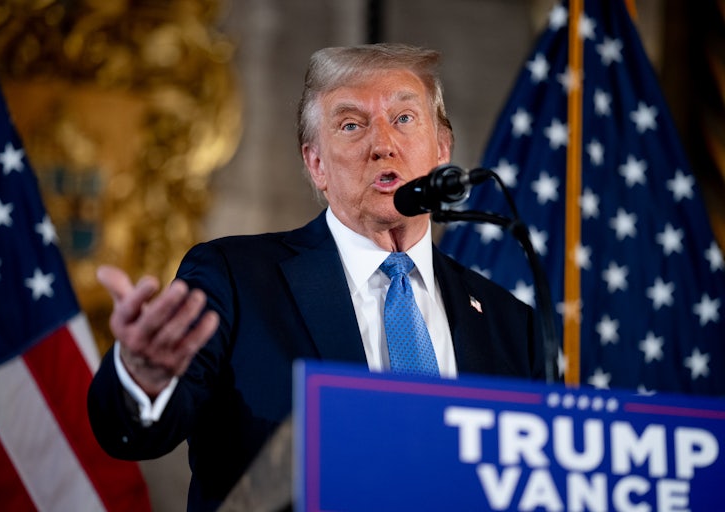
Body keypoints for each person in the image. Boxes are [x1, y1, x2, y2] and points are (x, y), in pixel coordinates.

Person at [87, 42, 544, 510]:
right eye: (351, 125)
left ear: (442, 149)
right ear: (316, 163)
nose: (382, 144)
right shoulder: (235, 279)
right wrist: (141, 379)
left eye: (404, 119)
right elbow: (136, 436)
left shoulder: (513, 325)